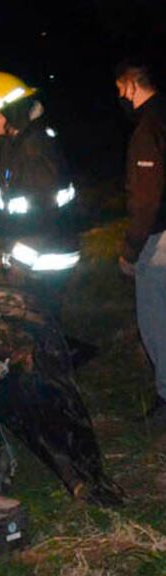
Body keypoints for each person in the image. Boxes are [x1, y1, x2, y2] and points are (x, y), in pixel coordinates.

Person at [0, 72, 80, 309]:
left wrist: (20, 263)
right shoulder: (13, 142)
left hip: (46, 259)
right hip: (31, 255)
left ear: (11, 113)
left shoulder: (35, 147)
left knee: (43, 326)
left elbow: (45, 211)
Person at [115, 60, 166, 424]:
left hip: (159, 240)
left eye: (121, 89)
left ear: (133, 84)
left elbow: (148, 200)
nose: (120, 97)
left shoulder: (148, 129)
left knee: (155, 321)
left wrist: (131, 249)